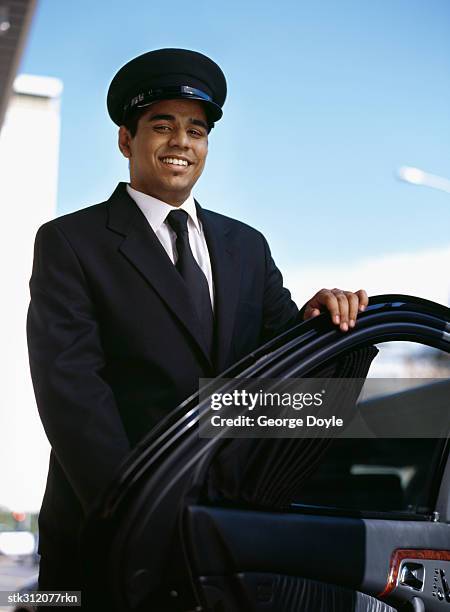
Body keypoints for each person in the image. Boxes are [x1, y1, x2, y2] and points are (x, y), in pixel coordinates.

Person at [26, 48, 368, 606]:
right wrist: (138, 516)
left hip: (224, 533)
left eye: (196, 129)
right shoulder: (71, 243)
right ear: (125, 140)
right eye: (162, 126)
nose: (181, 142)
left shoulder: (246, 247)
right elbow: (72, 395)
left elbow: (286, 374)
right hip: (114, 530)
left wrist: (325, 318)